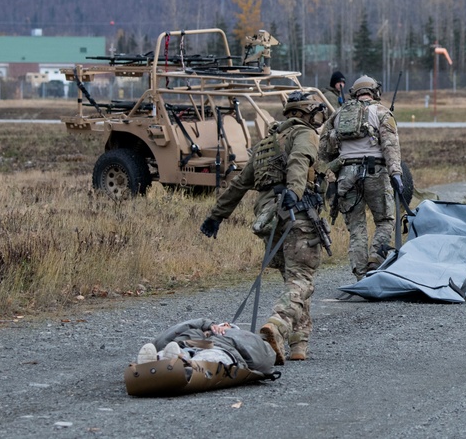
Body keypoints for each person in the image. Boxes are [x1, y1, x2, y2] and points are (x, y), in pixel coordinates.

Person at [199, 90, 329, 365]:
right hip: (297, 213)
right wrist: (295, 191)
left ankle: (299, 344)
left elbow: (239, 184)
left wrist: (216, 216)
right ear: (306, 113)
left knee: (293, 279)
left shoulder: (266, 143)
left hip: (270, 220)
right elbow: (299, 162)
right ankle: (277, 325)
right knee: (302, 279)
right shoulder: (304, 134)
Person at [319, 75, 403, 280]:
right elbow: (390, 146)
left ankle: (360, 275)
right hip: (376, 172)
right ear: (375, 92)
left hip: (346, 175)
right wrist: (396, 174)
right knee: (385, 220)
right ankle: (375, 259)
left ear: (354, 93)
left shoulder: (338, 115)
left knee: (357, 228)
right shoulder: (382, 112)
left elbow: (323, 150)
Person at [135, 318, 275, 375]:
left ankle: (184, 366)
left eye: (227, 325)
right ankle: (156, 361)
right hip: (185, 345)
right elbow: (160, 341)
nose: (224, 326)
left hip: (221, 350)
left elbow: (264, 360)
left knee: (208, 358)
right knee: (171, 349)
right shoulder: (198, 330)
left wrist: (230, 333)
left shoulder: (240, 335)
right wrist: (204, 324)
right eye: (222, 325)